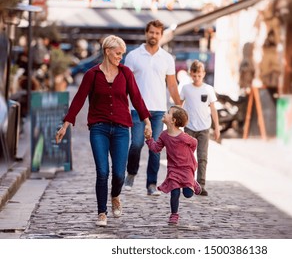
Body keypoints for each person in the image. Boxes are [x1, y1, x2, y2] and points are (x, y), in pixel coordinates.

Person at [55, 35, 151, 227]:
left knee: (118, 174)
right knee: (102, 171)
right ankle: (101, 212)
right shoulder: (92, 75)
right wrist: (66, 124)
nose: (120, 57)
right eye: (117, 53)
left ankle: (115, 195)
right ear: (107, 52)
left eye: (122, 54)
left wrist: (147, 121)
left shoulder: (125, 74)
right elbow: (79, 100)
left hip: (122, 129)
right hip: (99, 128)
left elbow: (137, 98)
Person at [123, 20, 181, 196]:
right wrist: (122, 105)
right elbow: (124, 84)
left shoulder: (167, 58)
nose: (154, 36)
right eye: (151, 32)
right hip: (137, 109)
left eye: (157, 33)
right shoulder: (133, 56)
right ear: (146, 33)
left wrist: (178, 106)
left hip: (158, 111)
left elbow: (171, 85)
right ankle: (131, 174)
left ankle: (151, 184)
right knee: (136, 143)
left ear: (161, 36)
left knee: (155, 147)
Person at [144, 106, 202, 225]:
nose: (164, 113)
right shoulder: (164, 135)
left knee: (188, 194)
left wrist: (189, 155)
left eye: (168, 112)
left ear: (173, 120)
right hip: (173, 169)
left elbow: (194, 143)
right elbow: (156, 148)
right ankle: (174, 214)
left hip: (186, 168)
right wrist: (149, 139)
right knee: (174, 192)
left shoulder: (183, 137)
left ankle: (193, 183)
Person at [180, 60, 220, 196]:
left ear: (203, 74)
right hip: (189, 127)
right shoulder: (186, 88)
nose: (197, 78)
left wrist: (217, 128)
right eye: (194, 75)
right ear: (191, 74)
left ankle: (201, 185)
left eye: (199, 75)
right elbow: (179, 106)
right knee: (188, 157)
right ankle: (189, 183)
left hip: (204, 128)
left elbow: (213, 109)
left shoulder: (208, 89)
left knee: (203, 157)